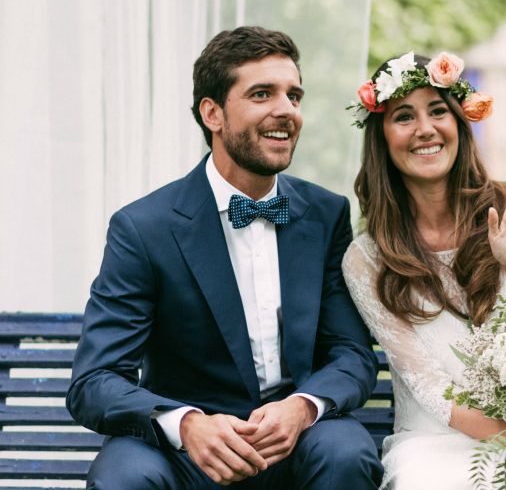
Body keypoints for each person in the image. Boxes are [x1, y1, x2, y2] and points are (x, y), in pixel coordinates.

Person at [67, 26, 383, 489]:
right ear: (212, 113)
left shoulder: (326, 213)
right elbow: (94, 380)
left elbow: (352, 352)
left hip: (295, 443)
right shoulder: (144, 228)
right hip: (185, 454)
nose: (285, 110)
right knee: (122, 477)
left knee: (346, 451)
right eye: (262, 94)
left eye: (294, 95)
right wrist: (188, 425)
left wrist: (302, 407)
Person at [342, 51, 506, 490]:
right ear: (381, 136)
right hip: (434, 443)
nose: (425, 129)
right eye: (404, 116)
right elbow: (432, 391)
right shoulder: (367, 259)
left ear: (460, 123)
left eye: (438, 110)